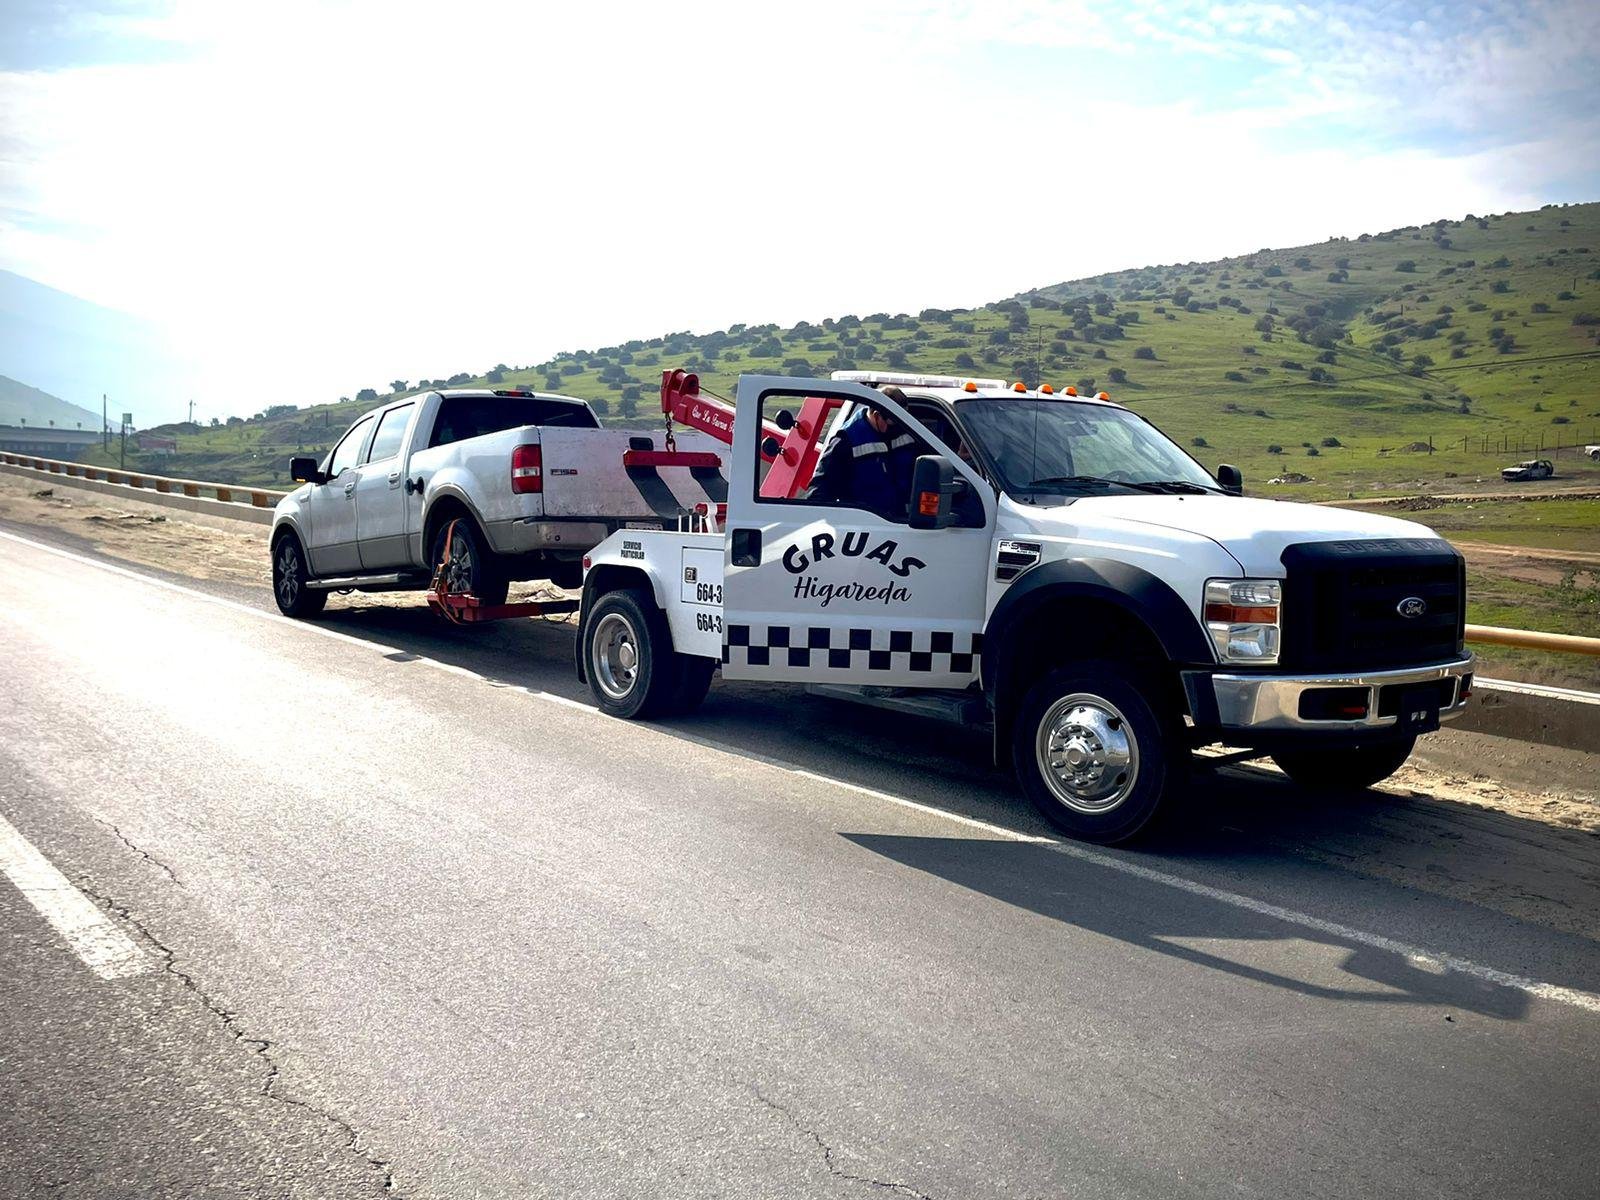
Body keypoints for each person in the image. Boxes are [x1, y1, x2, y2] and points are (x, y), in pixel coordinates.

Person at [805, 387, 922, 520]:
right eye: (892, 423)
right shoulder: (846, 441)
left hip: (903, 521)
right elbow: (820, 490)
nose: (897, 428)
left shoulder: (907, 430)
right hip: (865, 526)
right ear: (877, 415)